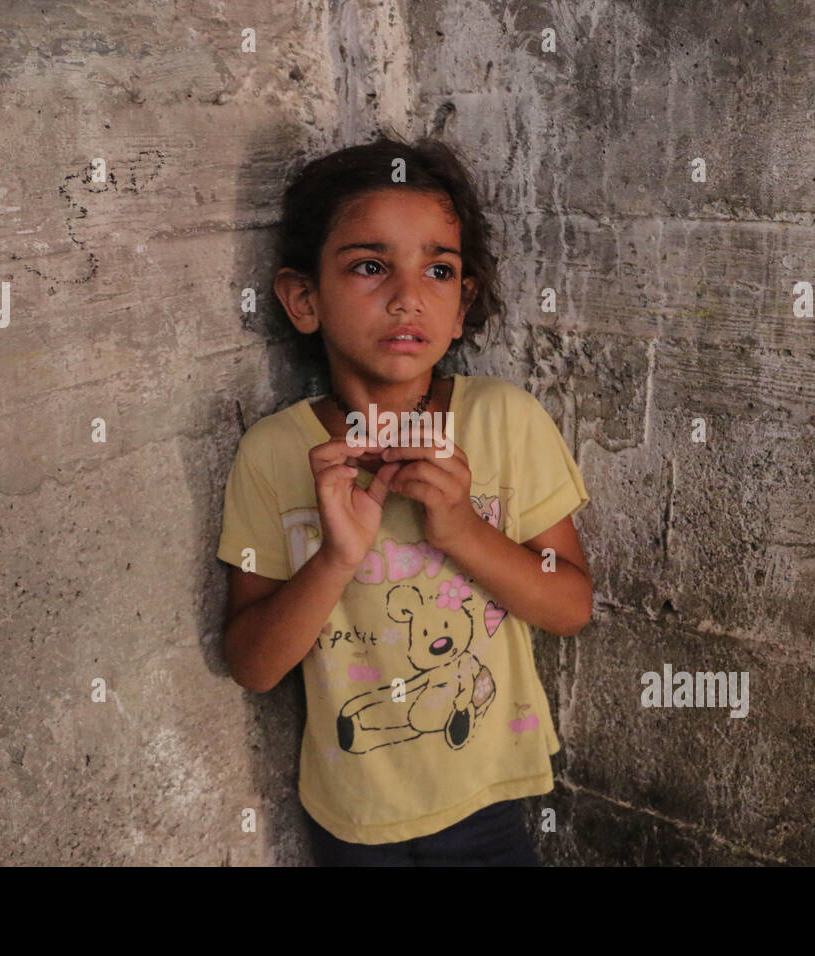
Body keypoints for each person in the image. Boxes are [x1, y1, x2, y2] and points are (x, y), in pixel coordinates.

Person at [216, 133, 592, 866]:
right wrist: (335, 560)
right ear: (303, 300)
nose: (407, 295)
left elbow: (570, 606)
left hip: (487, 796)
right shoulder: (274, 455)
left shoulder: (503, 423)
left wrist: (460, 528)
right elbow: (253, 665)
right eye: (369, 265)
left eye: (439, 270)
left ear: (461, 306)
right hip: (351, 812)